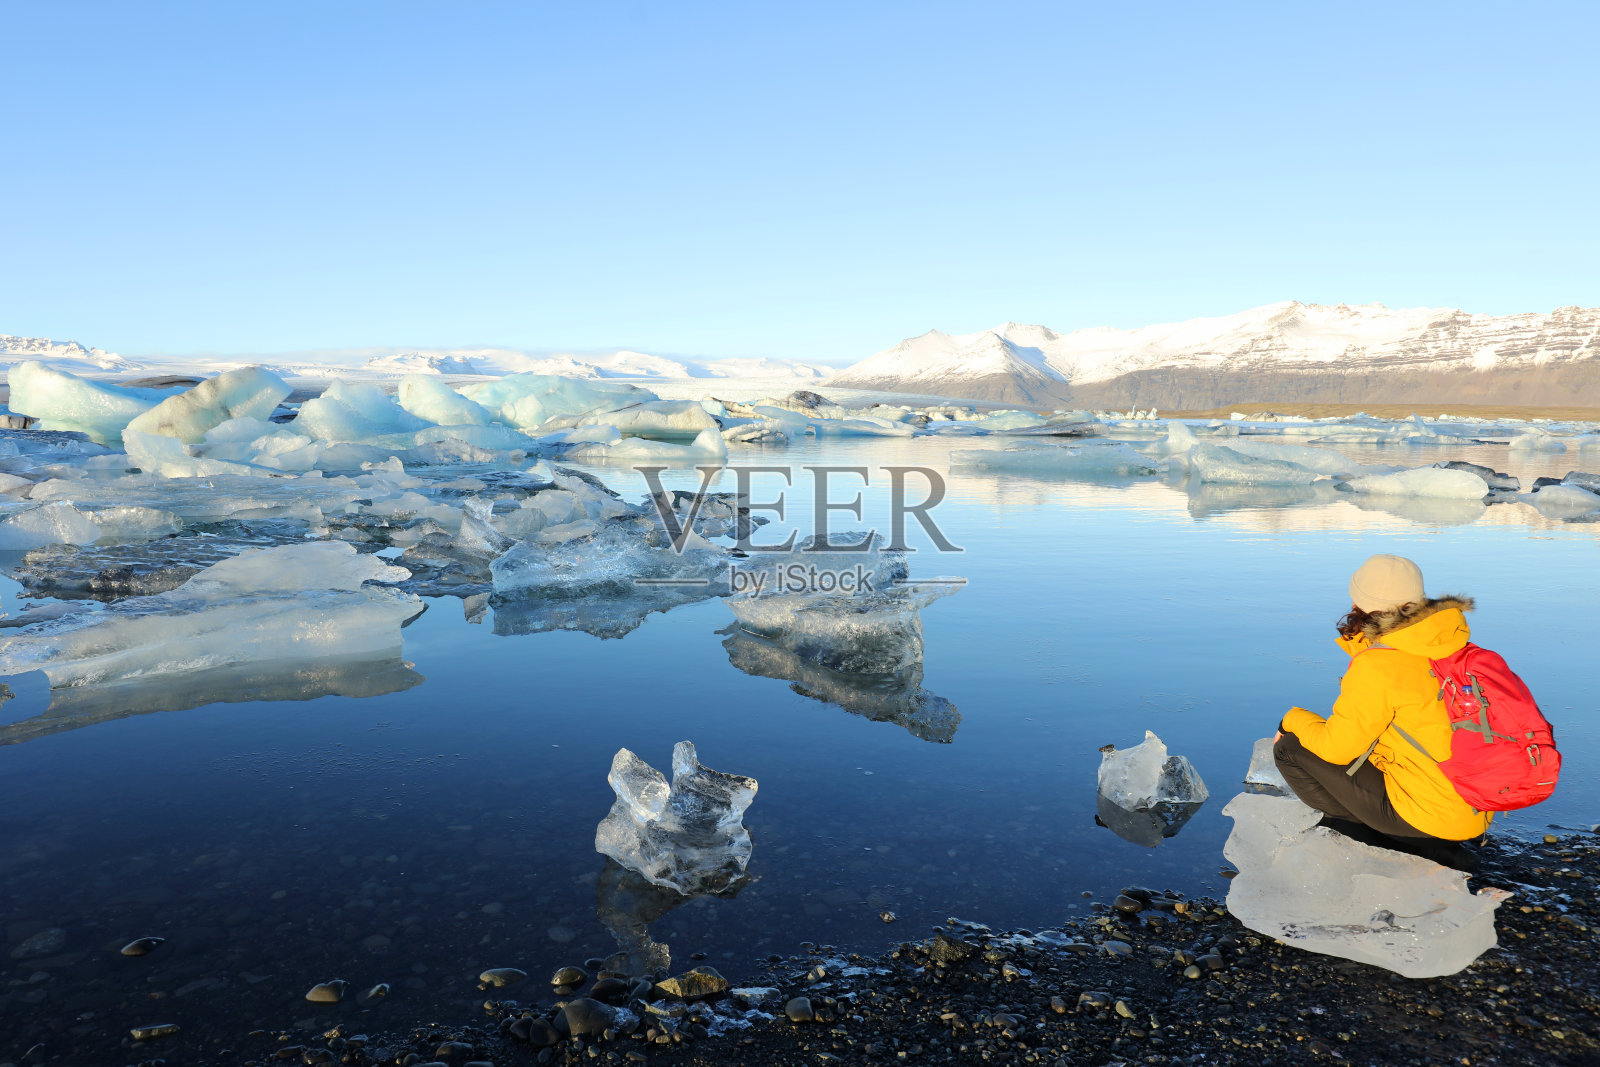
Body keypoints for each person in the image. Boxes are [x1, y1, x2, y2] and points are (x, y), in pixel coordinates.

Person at [1273, 554, 1492, 853]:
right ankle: (1424, 841)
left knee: (1290, 748)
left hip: (1431, 818)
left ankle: (1381, 846)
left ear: (1360, 603)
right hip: (1475, 806)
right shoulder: (1447, 644)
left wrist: (1291, 720)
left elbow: (1336, 750)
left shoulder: (1380, 664)